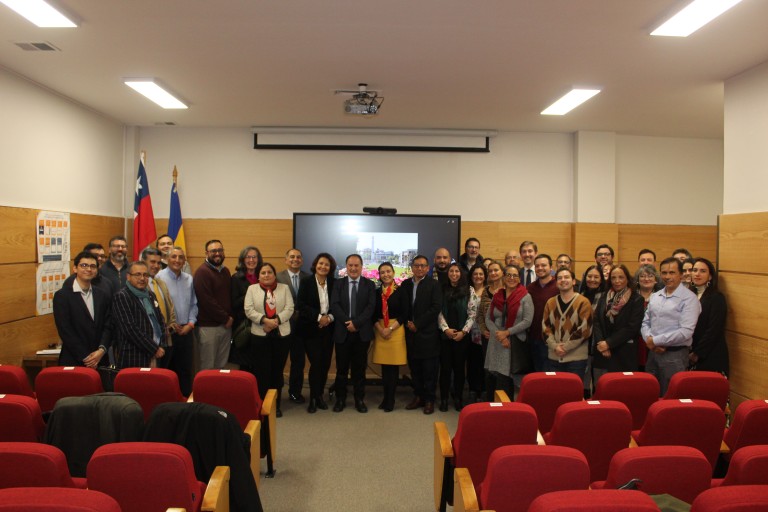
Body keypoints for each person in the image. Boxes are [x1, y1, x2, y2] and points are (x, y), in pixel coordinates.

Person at [641, 257, 701, 395]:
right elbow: (645, 322)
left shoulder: (689, 299)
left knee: (671, 396)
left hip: (675, 355)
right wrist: (649, 340)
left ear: (681, 274)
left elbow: (686, 332)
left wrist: (655, 340)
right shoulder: (655, 296)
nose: (667, 276)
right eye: (664, 273)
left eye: (672, 273)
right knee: (650, 393)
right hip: (653, 353)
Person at [330, 254, 376, 413]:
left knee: (359, 369)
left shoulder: (369, 285)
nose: (353, 268)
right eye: (350, 265)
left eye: (357, 265)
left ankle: (359, 399)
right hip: (343, 332)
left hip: (362, 333)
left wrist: (356, 323)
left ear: (362, 267)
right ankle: (340, 399)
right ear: (346, 267)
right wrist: (347, 322)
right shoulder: (338, 284)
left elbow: (370, 307)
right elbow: (334, 305)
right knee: (341, 369)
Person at [243, 263, 294, 405]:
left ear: (274, 274)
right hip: (260, 335)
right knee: (261, 371)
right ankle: (263, 403)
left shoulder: (284, 288)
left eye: (269, 272)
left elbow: (290, 308)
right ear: (258, 276)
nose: (266, 275)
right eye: (263, 273)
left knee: (277, 371)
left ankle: (275, 404)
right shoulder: (251, 289)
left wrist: (275, 321)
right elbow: (248, 310)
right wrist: (265, 320)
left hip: (281, 335)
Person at [53, 251, 112, 368]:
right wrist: (86, 358)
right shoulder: (62, 296)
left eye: (93, 266)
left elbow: (109, 325)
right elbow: (65, 330)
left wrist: (101, 350)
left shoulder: (102, 295)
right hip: (74, 360)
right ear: (75, 268)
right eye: (84, 265)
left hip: (100, 360)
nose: (89, 269)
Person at [401, 255, 443, 414]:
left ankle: (430, 400)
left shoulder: (434, 285)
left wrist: (417, 324)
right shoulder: (405, 285)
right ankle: (418, 397)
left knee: (429, 371)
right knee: (415, 369)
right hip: (410, 335)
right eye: (416, 265)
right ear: (411, 267)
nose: (419, 268)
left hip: (428, 334)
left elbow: (436, 307)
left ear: (427, 268)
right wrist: (408, 323)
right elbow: (403, 307)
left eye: (423, 266)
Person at [484, 264, 533, 398]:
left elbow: (527, 321)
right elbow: (488, 319)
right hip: (496, 341)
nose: (511, 278)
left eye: (515, 275)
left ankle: (505, 411)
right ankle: (491, 408)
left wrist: (507, 333)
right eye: (509, 275)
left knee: (505, 380)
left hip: (512, 342)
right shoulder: (497, 295)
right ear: (504, 278)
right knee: (492, 377)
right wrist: (499, 335)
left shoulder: (525, 296)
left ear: (519, 278)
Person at [296, 253, 337, 413]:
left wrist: (329, 318)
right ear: (315, 264)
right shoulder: (306, 281)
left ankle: (320, 396)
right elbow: (301, 304)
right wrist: (319, 317)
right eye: (321, 263)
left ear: (330, 267)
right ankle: (313, 397)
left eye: (327, 264)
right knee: (316, 362)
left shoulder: (334, 283)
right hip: (310, 329)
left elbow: (338, 304)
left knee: (325, 363)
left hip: (329, 329)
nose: (323, 267)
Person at [591, 265, 645, 382]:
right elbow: (596, 322)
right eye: (613, 278)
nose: (617, 281)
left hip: (624, 353)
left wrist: (609, 343)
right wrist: (602, 344)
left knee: (622, 390)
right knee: (602, 390)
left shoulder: (636, 299)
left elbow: (632, 328)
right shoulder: (604, 297)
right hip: (602, 353)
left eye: (621, 277)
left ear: (627, 279)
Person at [156, 246, 197, 396]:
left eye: (181, 257)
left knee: (185, 371)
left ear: (184, 261)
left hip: (186, 331)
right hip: (167, 333)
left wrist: (190, 324)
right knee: (167, 372)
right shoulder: (159, 278)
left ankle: (186, 403)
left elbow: (194, 304)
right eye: (173, 257)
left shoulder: (189, 279)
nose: (177, 260)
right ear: (167, 259)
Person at [437, 262, 478, 411]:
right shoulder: (441, 289)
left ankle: (459, 398)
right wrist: (446, 329)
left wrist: (464, 332)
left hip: (462, 336)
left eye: (457, 271)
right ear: (447, 274)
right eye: (451, 271)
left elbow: (472, 314)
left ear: (461, 274)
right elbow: (438, 311)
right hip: (445, 336)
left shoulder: (469, 290)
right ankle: (444, 399)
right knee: (445, 369)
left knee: (460, 369)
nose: (454, 274)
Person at [112, 260, 167, 368]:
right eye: (138, 274)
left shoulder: (150, 295)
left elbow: (160, 319)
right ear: (128, 276)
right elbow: (130, 329)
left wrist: (162, 344)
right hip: (135, 355)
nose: (142, 278)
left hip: (156, 353)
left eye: (145, 275)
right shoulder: (122, 296)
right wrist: (153, 348)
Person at [542, 268, 593, 378]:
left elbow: (585, 330)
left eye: (566, 277)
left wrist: (565, 347)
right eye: (559, 278)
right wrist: (555, 346)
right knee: (556, 393)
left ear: (574, 281)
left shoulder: (583, 302)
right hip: (554, 357)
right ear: (556, 283)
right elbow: (545, 328)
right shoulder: (550, 303)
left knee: (573, 393)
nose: (563, 280)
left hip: (576, 359)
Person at [372, 262, 408, 412]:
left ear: (393, 273)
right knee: (384, 368)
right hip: (380, 330)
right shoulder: (376, 292)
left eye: (388, 271)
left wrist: (390, 329)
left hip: (396, 330)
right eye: (382, 272)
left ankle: (390, 399)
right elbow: (372, 314)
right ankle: (385, 397)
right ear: (379, 275)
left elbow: (405, 313)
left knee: (393, 368)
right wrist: (381, 329)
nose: (385, 275)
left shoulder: (401, 291)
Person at [276, 248, 310, 405]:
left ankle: (295, 392)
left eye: (298, 257)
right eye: (292, 257)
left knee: (298, 361)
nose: (295, 259)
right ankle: (275, 395)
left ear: (302, 260)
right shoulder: (277, 277)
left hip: (302, 327)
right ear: (286, 260)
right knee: (279, 361)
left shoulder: (308, 278)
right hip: (282, 325)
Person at [193, 239, 233, 370]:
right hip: (208, 328)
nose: (217, 253)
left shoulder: (225, 271)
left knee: (221, 366)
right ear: (206, 253)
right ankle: (205, 391)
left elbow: (228, 297)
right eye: (213, 251)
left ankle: (217, 391)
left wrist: (229, 318)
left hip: (225, 327)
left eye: (220, 250)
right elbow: (206, 301)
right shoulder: (202, 272)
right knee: (207, 367)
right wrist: (226, 318)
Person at [689, 258, 729, 376]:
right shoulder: (689, 296)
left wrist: (697, 353)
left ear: (710, 276)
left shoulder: (716, 297)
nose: (697, 274)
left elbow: (714, 329)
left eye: (703, 271)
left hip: (711, 354)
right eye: (695, 270)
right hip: (691, 353)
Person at [142, 248, 178, 362]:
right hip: (149, 342)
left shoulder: (160, 283)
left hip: (166, 339)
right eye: (152, 262)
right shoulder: (139, 286)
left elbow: (170, 307)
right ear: (143, 262)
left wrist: (171, 324)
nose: (156, 266)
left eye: (158, 263)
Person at [230, 246, 263, 372]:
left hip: (262, 324)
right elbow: (234, 303)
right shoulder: (236, 278)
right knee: (245, 363)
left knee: (259, 362)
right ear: (243, 260)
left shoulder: (263, 275)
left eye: (254, 257)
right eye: (248, 257)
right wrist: (252, 292)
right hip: (245, 325)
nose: (251, 260)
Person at [477, 260, 504, 400]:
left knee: (502, 371)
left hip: (504, 338)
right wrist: (482, 329)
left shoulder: (509, 290)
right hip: (487, 336)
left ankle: (502, 401)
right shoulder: (485, 292)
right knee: (488, 370)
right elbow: (480, 315)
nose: (493, 273)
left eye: (496, 270)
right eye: (491, 271)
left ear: (502, 272)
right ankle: (489, 401)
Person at [527, 254, 559, 372]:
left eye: (544, 265)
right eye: (537, 266)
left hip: (553, 338)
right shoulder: (530, 288)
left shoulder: (559, 286)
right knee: (537, 372)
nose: (540, 268)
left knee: (550, 374)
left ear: (551, 267)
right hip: (534, 337)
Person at [578, 263, 605, 397]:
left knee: (598, 379)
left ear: (601, 279)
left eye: (596, 277)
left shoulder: (605, 296)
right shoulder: (579, 295)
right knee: (584, 378)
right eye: (589, 276)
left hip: (598, 342)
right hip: (581, 342)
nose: (592, 279)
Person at [466, 265, 488, 403]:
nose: (478, 276)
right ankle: (473, 390)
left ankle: (484, 391)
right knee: (472, 363)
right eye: (475, 274)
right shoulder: (467, 291)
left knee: (485, 363)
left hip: (486, 333)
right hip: (469, 333)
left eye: (481, 274)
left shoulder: (490, 291)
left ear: (485, 276)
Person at [634, 264, 660, 371]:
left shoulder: (660, 297)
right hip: (635, 341)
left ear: (656, 280)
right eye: (642, 276)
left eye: (650, 276)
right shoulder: (631, 297)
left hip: (654, 341)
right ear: (637, 280)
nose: (646, 279)